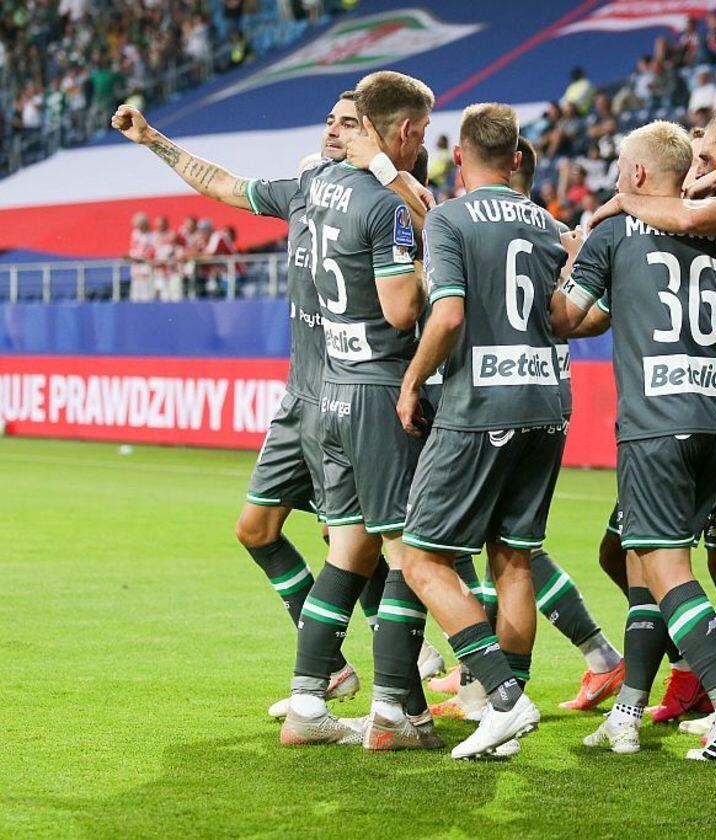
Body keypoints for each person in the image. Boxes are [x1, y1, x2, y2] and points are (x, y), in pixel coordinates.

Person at [111, 94, 410, 719]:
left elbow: (415, 256)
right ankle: (333, 668)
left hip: (352, 394)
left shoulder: (389, 199)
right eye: (329, 120)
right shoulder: (305, 190)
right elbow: (223, 184)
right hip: (300, 397)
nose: (333, 130)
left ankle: (413, 672)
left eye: (349, 122)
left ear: (376, 132)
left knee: (357, 540)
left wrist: (386, 169)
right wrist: (153, 139)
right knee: (257, 530)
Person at [552, 121, 716, 760]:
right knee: (643, 570)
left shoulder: (615, 233)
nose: (618, 176)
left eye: (623, 167)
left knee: (667, 570)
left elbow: (566, 319)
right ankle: (627, 713)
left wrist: (570, 254)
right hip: (713, 422)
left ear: (639, 174)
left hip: (654, 425)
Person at [422, 138, 625, 719]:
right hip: (544, 394)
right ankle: (488, 679)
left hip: (493, 400)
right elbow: (580, 316)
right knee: (508, 548)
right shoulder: (553, 235)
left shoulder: (478, 226)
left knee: (474, 549)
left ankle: (537, 671)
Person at [395, 102, 569, 760]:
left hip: (480, 407)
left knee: (422, 560)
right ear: (517, 158)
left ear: (460, 157)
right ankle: (505, 725)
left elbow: (446, 317)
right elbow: (564, 314)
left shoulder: (450, 218)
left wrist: (412, 382)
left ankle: (503, 696)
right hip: (546, 403)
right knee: (514, 560)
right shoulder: (548, 223)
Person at [272, 71, 437, 751]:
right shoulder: (384, 201)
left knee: (348, 551)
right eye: (422, 132)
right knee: (407, 556)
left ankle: (309, 702)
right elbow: (402, 308)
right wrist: (437, 281)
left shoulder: (318, 184)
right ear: (401, 129)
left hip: (328, 390)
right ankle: (399, 712)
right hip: (379, 391)